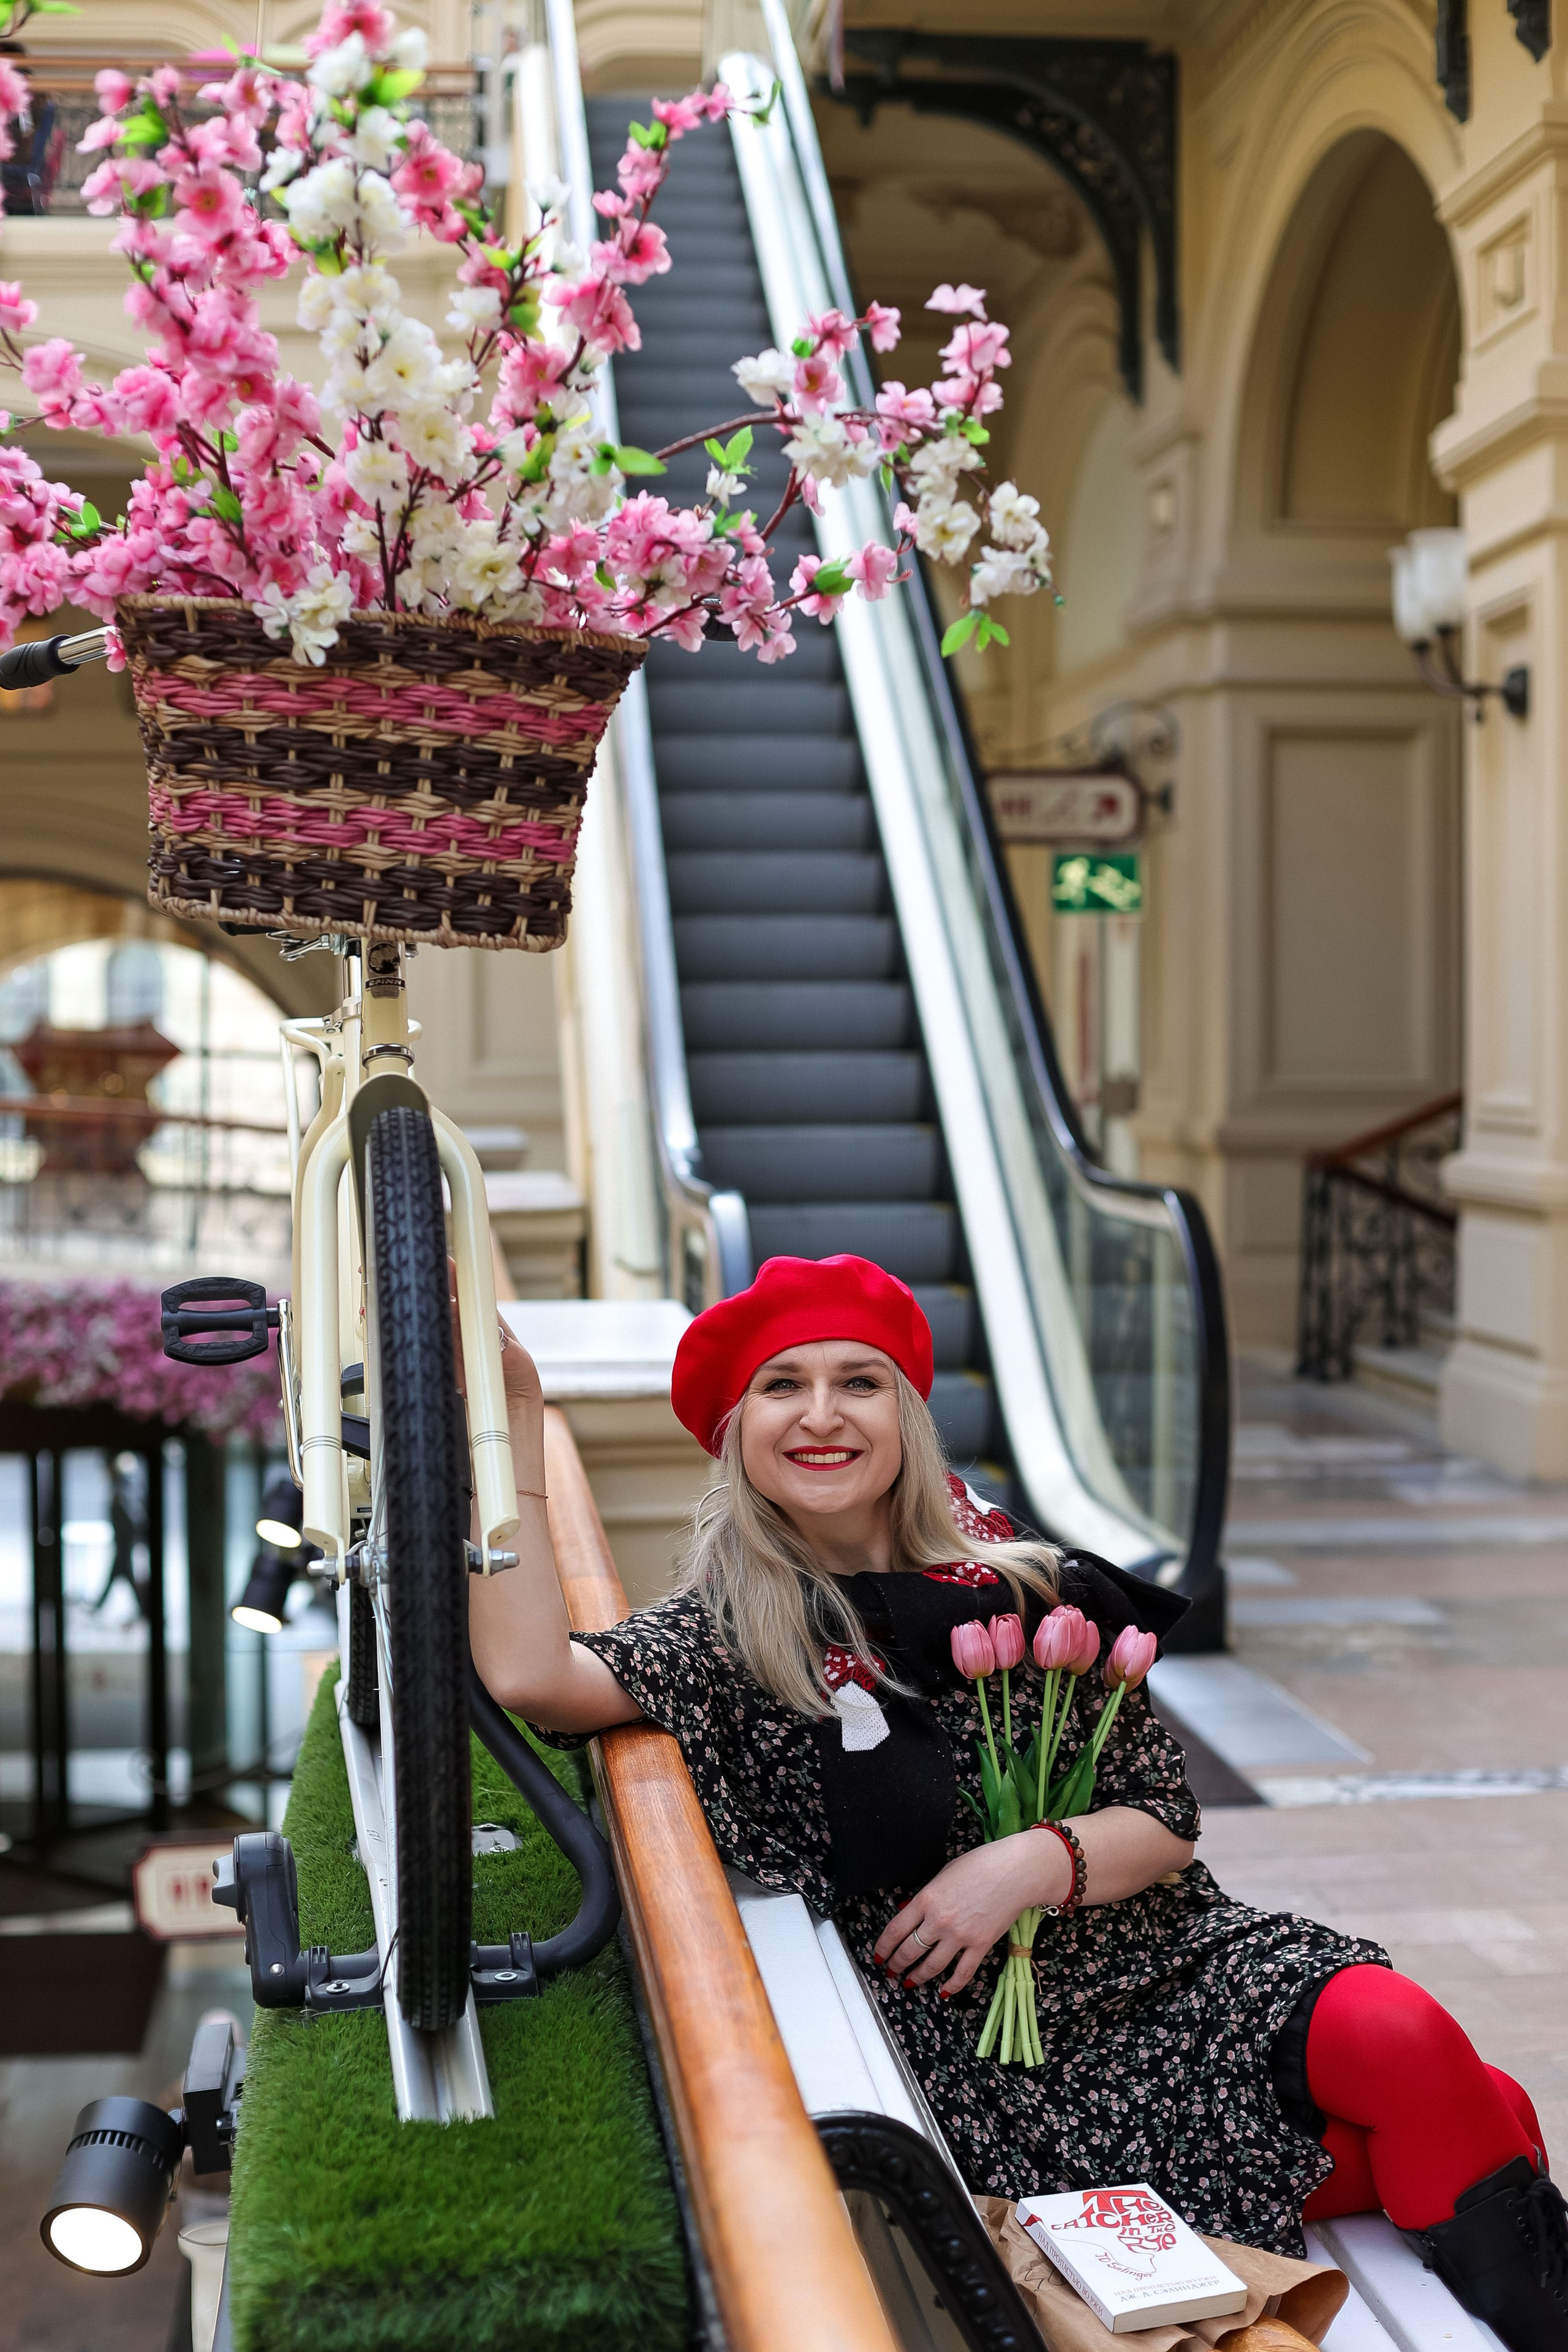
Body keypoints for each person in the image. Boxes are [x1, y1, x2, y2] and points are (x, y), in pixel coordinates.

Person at [468, 1253, 1568, 2352]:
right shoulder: (729, 1641)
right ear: (735, 1429)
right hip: (1008, 2065)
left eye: (860, 1382)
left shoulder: (1024, 1582)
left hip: (1169, 1967)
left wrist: (1026, 1863)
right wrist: (511, 1424)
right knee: (1491, 2117)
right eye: (781, 1385)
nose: (823, 1414)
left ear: (905, 1416)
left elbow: (1165, 1819)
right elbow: (532, 1678)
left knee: (1408, 2035)